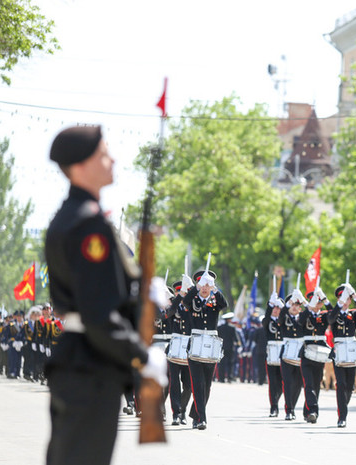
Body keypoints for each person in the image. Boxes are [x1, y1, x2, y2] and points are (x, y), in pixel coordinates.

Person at [44, 125, 167, 465]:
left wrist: (138, 285)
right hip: (91, 367)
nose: (112, 159)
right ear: (81, 166)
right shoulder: (88, 224)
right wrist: (141, 355)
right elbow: (98, 312)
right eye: (103, 153)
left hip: (82, 364)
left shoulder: (77, 217)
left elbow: (96, 291)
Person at [182, 268, 229, 430]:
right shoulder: (193, 300)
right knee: (197, 383)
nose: (205, 288)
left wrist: (214, 288)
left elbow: (225, 304)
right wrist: (195, 287)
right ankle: (202, 418)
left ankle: (196, 414)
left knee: (207, 386)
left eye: (207, 285)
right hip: (195, 344)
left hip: (210, 346)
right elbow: (185, 302)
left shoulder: (215, 302)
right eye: (202, 285)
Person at [328, 282, 356, 428]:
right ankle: (342, 416)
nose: (345, 302)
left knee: (349, 385)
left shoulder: (352, 315)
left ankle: (343, 405)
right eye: (342, 298)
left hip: (351, 350)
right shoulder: (334, 314)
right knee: (341, 384)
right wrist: (338, 304)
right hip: (338, 350)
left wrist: (355, 295)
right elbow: (330, 319)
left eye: (347, 299)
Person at [299, 286, 331, 423]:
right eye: (315, 301)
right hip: (307, 351)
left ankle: (308, 411)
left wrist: (326, 299)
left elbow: (334, 314)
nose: (317, 304)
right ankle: (313, 411)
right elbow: (300, 321)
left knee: (316, 384)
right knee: (309, 384)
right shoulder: (305, 314)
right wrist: (308, 307)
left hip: (320, 352)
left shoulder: (323, 316)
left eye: (319, 301)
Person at [166, 280, 192, 426]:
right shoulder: (172, 306)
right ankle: (176, 413)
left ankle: (182, 410)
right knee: (174, 383)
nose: (180, 295)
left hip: (188, 348)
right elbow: (170, 312)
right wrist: (178, 298)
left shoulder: (190, 306)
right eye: (178, 292)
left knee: (188, 385)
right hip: (175, 348)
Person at [279, 289, 306, 421]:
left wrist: (304, 301)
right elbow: (280, 316)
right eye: (292, 304)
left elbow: (309, 312)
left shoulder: (303, 318)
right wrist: (287, 305)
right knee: (288, 382)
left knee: (298, 383)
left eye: (297, 305)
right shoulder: (285, 318)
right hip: (287, 353)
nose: (295, 307)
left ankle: (293, 406)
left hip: (300, 352)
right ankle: (289, 409)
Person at [262, 294, 285, 417]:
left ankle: (277, 399)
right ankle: (274, 406)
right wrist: (270, 305)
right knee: (273, 382)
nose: (276, 310)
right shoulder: (268, 320)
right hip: (271, 353)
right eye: (274, 307)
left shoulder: (284, 320)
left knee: (282, 382)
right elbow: (265, 320)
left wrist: (285, 309)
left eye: (278, 307)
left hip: (283, 352)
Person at [217, 312, 238, 382]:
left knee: (221, 363)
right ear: (229, 320)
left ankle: (221, 378)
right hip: (230, 348)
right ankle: (229, 377)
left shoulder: (219, 327)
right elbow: (235, 338)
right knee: (230, 363)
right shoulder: (232, 328)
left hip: (221, 347)